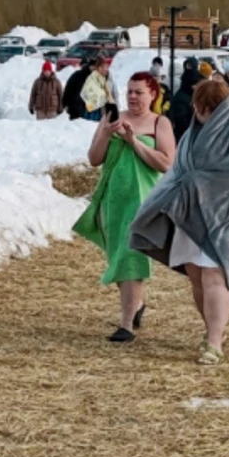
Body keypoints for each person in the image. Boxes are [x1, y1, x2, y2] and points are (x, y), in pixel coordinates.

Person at [128, 78, 229, 365]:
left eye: (200, 107)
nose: (197, 113)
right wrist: (161, 200)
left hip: (228, 217)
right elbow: (179, 169)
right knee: (196, 274)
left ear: (210, 107)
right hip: (192, 215)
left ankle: (214, 342)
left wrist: (200, 183)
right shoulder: (194, 132)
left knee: (216, 274)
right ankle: (212, 330)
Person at [74, 73, 176, 343]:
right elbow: (94, 159)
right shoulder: (113, 118)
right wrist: (106, 134)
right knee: (118, 256)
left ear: (153, 94)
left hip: (144, 201)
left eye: (139, 92)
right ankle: (137, 304)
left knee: (132, 256)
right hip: (113, 199)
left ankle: (126, 325)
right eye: (129, 91)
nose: (133, 96)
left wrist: (134, 141)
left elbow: (166, 164)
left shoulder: (160, 123)